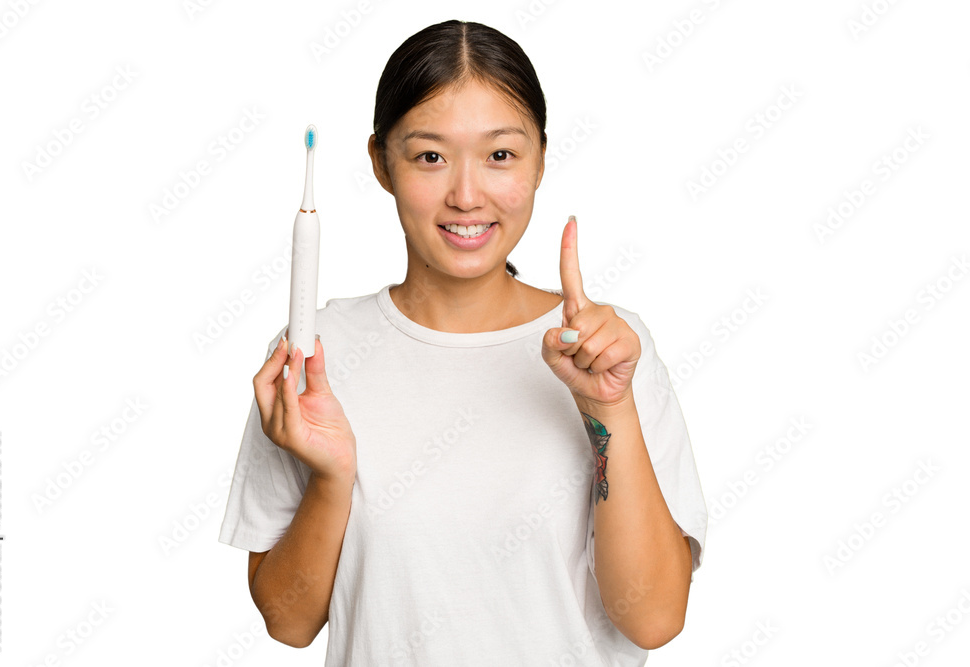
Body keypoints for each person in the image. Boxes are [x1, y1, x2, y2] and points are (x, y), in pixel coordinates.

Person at [219, 19, 707, 666]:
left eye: (500, 155)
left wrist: (608, 408)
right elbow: (287, 620)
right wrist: (334, 477)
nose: (467, 195)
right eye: (430, 156)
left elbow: (653, 618)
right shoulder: (315, 353)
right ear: (380, 163)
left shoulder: (610, 349)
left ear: (539, 158)